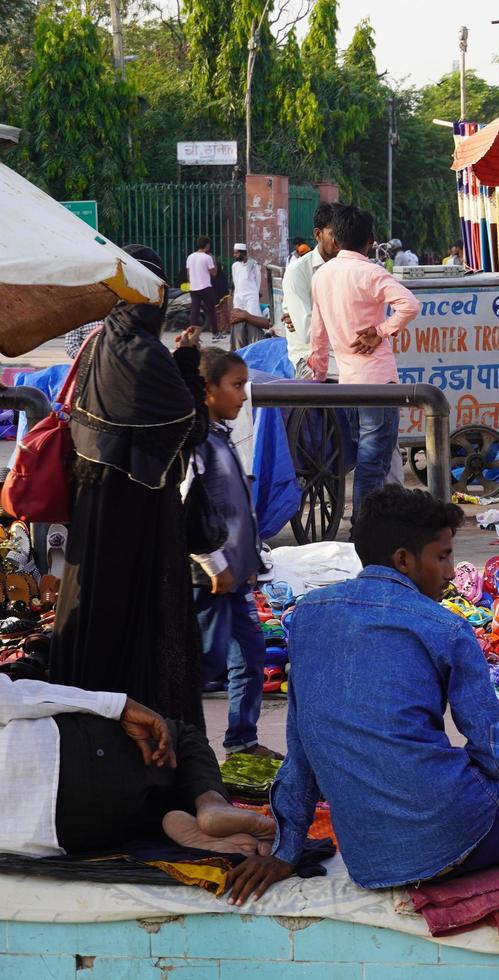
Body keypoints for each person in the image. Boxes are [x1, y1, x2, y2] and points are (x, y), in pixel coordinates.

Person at [229, 487, 499, 965]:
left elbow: (302, 747)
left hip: (371, 859)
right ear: (403, 559)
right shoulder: (444, 625)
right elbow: (493, 745)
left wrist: (286, 849)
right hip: (452, 816)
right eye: (442, 557)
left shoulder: (308, 618)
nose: (447, 572)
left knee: (467, 813)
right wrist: (488, 793)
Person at [52, 245, 210, 727]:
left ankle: (86, 728)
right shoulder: (147, 355)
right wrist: (187, 363)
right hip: (139, 517)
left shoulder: (99, 344)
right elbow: (191, 424)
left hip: (94, 507)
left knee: (93, 614)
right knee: (140, 622)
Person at [0, 674, 276, 859]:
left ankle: (172, 819)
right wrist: (117, 705)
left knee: (139, 806)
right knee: (179, 736)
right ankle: (212, 804)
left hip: (52, 834)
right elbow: (8, 698)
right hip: (54, 753)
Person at [189, 348, 277, 761]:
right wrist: (215, 564)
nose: (243, 397)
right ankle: (187, 748)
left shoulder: (219, 438)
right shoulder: (196, 444)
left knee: (250, 654)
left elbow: (237, 508)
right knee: (205, 664)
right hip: (209, 578)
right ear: (208, 389)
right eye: (236, 386)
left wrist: (249, 563)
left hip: (236, 575)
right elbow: (190, 513)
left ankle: (241, 739)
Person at [306, 204, 418, 522]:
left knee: (370, 456)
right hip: (377, 381)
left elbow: (318, 332)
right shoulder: (371, 272)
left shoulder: (322, 275)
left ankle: (369, 525)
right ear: (370, 241)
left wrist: (317, 373)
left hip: (346, 381)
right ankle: (363, 527)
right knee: (374, 460)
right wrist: (380, 331)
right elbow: (410, 304)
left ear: (337, 239)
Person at [281, 202, 338, 379]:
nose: (339, 240)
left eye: (343, 234)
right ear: (317, 234)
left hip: (344, 354)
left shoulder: (347, 268)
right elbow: (308, 331)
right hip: (308, 356)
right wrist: (349, 331)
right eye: (333, 233)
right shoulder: (297, 271)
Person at [186, 237, 219, 335]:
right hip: (205, 287)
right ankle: (215, 333)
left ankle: (192, 334)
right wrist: (213, 260)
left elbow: (188, 273)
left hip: (193, 287)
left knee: (194, 312)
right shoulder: (207, 257)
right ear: (207, 245)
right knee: (211, 310)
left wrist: (192, 283)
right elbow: (214, 273)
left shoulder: (190, 257)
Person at [229, 243, 263, 319]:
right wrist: (236, 293)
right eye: (234, 253)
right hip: (238, 296)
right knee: (238, 317)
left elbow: (258, 280)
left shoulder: (253, 264)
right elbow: (235, 280)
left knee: (253, 317)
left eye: (236, 253)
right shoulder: (235, 266)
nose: (234, 255)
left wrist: (255, 293)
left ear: (243, 253)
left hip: (251, 296)